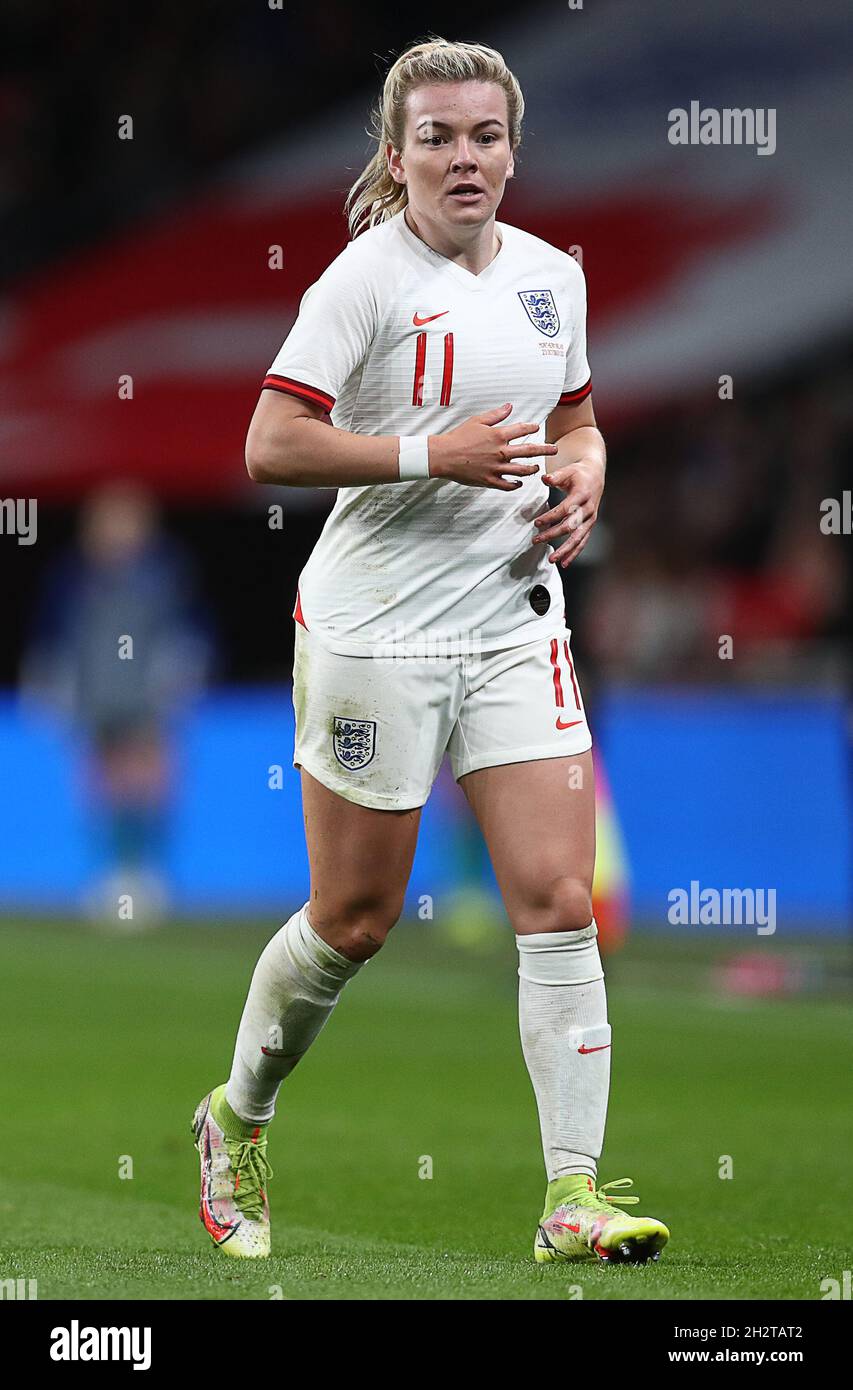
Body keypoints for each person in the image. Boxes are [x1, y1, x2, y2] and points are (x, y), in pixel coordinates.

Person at [192, 35, 669, 1265]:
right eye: (438, 137)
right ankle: (235, 1115)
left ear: (514, 148)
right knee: (355, 920)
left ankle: (572, 1197)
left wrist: (586, 475)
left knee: (560, 902)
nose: (465, 157)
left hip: (512, 622)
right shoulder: (362, 283)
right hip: (373, 634)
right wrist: (429, 453)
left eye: (485, 135)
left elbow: (578, 418)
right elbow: (269, 446)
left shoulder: (552, 279)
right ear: (397, 155)